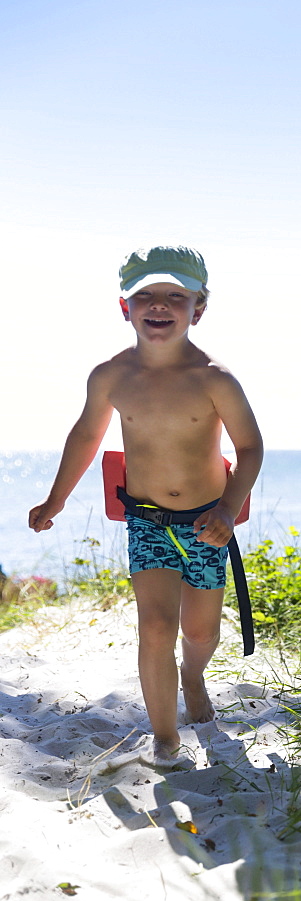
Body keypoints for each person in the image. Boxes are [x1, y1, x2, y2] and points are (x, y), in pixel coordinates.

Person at [29, 246, 264, 764]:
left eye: (175, 296)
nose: (159, 305)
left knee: (200, 632)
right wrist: (56, 499)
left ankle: (193, 676)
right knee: (156, 626)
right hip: (147, 521)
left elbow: (250, 447)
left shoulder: (214, 378)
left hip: (206, 524)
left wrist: (227, 509)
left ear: (197, 308)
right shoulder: (111, 376)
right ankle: (164, 738)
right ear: (125, 307)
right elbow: (87, 435)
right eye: (146, 295)